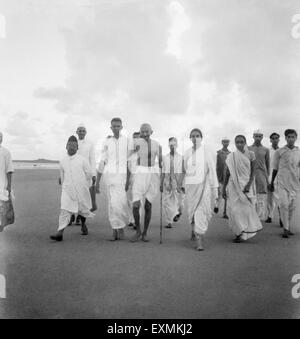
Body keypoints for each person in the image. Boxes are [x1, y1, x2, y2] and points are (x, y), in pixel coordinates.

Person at [50, 136, 94, 242]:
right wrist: (64, 184)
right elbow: (62, 176)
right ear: (66, 146)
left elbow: (89, 174)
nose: (72, 147)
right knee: (64, 209)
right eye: (69, 145)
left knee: (82, 209)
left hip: (81, 189)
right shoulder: (62, 161)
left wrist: (83, 184)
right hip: (67, 189)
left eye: (74, 146)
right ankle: (60, 233)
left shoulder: (83, 160)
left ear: (77, 148)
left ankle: (83, 225)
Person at [95, 118, 132, 241]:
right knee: (112, 204)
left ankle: (120, 227)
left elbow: (130, 162)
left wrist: (128, 180)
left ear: (122, 127)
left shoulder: (127, 141)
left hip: (122, 177)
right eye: (114, 126)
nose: (116, 128)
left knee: (120, 203)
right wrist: (98, 181)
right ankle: (115, 229)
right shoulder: (106, 142)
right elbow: (102, 161)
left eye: (118, 126)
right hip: (109, 177)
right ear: (110, 127)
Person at [183, 129, 218, 251]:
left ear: (201, 137)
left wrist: (215, 188)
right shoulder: (187, 153)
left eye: (197, 136)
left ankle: (199, 240)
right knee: (192, 210)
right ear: (190, 138)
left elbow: (212, 170)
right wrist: (181, 185)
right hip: (191, 188)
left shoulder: (207, 152)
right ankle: (194, 230)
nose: (195, 138)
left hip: (204, 187)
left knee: (201, 211)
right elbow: (184, 170)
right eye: (192, 136)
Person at [223, 135, 263, 243]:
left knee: (246, 209)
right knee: (234, 210)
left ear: (245, 142)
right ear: (235, 143)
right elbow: (227, 173)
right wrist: (223, 188)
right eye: (237, 142)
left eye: (241, 142)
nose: (239, 144)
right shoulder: (232, 156)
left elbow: (253, 171)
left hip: (246, 185)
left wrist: (249, 185)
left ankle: (246, 231)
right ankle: (238, 232)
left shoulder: (251, 154)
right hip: (233, 185)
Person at [130, 124, 162, 242]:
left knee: (148, 205)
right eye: (142, 132)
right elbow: (127, 156)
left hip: (152, 173)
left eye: (146, 131)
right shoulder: (136, 142)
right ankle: (138, 230)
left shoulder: (157, 144)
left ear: (151, 131)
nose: (144, 134)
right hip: (139, 172)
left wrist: (162, 181)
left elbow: (162, 164)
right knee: (136, 205)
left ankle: (145, 233)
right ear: (139, 132)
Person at [270, 129, 300, 238]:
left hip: (294, 183)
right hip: (282, 182)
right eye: (289, 137)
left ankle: (288, 225)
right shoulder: (280, 151)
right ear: (286, 138)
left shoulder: (298, 151)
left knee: (293, 206)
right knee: (283, 204)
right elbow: (275, 168)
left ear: (296, 138)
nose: (291, 139)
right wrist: (272, 182)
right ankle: (286, 228)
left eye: (293, 137)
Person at [69, 123, 97, 226]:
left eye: (83, 130)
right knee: (73, 195)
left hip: (86, 173)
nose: (81, 132)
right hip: (74, 172)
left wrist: (93, 173)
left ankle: (80, 216)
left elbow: (92, 159)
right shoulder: (73, 142)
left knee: (84, 196)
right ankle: (72, 215)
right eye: (79, 130)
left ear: (86, 132)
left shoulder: (90, 143)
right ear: (76, 132)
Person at [160, 137, 185, 229]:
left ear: (177, 145)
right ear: (168, 145)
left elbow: (183, 171)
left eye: (174, 144)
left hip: (178, 182)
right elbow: (163, 171)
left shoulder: (181, 158)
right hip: (167, 181)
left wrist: (181, 184)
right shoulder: (165, 158)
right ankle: (169, 221)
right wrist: (161, 183)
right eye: (171, 144)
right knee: (166, 202)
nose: (172, 146)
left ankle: (178, 212)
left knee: (180, 202)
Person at [249, 130, 270, 221]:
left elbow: (268, 164)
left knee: (261, 196)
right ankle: (252, 216)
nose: (258, 138)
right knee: (251, 195)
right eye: (256, 136)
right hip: (251, 175)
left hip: (262, 175)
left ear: (262, 137)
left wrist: (267, 177)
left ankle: (259, 217)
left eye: (260, 136)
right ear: (253, 136)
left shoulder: (265, 149)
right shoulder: (248, 148)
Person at [266, 133, 281, 225]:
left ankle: (281, 218)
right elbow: (265, 164)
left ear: (279, 139)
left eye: (277, 138)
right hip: (269, 176)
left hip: (279, 177)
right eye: (273, 138)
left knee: (279, 198)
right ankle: (270, 216)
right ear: (270, 140)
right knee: (269, 198)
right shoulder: (268, 150)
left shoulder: (282, 150)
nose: (275, 140)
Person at [0, 132, 14, 231]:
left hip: (2, 185)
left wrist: (9, 186)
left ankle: (1, 226)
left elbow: (9, 170)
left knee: (2, 208)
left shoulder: (6, 152)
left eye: (1, 137)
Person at [127, 132, 141, 229]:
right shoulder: (130, 155)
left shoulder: (143, 154)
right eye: (134, 138)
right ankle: (131, 219)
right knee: (129, 201)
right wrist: (127, 181)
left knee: (138, 201)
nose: (135, 140)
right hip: (131, 180)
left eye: (138, 138)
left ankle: (137, 221)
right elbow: (127, 169)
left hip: (140, 181)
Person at [215, 137, 231, 219]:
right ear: (222, 142)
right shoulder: (218, 153)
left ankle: (225, 212)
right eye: (224, 142)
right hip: (219, 176)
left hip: (227, 177)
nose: (226, 143)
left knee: (226, 194)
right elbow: (216, 166)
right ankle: (216, 205)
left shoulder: (230, 153)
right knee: (219, 194)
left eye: (227, 142)